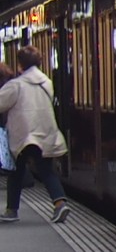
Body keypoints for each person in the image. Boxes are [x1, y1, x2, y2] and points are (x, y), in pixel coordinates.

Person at [0, 46, 71, 225]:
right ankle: (59, 202)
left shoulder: (16, 85)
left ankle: (11, 210)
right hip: (45, 132)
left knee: (16, 172)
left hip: (23, 135)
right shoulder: (46, 82)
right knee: (46, 170)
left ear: (20, 64)